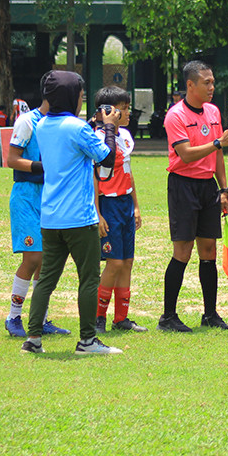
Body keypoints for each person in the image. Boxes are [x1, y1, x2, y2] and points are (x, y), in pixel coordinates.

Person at [22, 70, 123, 355]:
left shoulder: (43, 125)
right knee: (89, 279)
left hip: (50, 217)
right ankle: (87, 340)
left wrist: (93, 125)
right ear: (71, 96)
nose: (81, 100)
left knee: (47, 281)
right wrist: (109, 127)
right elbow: (106, 157)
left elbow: (70, 143)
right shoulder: (76, 128)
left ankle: (33, 339)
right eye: (79, 95)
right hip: (79, 217)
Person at [160, 61, 228, 332]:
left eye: (213, 82)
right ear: (190, 85)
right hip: (183, 185)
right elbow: (186, 154)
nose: (211, 87)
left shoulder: (213, 111)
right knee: (182, 251)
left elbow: (217, 157)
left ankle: (210, 314)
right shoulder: (175, 116)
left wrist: (223, 189)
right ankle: (168, 316)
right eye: (206, 82)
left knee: (209, 250)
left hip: (207, 187)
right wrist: (218, 142)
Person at [4, 73, 70, 338]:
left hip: (52, 196)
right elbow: (11, 159)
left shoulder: (62, 123)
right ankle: (13, 317)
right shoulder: (27, 121)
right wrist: (43, 167)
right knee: (33, 257)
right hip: (27, 195)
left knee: (48, 261)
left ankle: (40, 319)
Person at [92, 87, 146, 333]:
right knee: (113, 263)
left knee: (127, 262)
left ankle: (121, 318)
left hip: (125, 204)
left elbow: (128, 171)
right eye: (122, 108)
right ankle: (98, 318)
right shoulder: (95, 138)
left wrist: (135, 205)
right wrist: (98, 213)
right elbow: (92, 178)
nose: (127, 113)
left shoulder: (124, 136)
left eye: (126, 107)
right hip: (108, 204)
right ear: (106, 111)